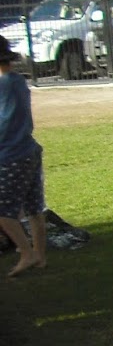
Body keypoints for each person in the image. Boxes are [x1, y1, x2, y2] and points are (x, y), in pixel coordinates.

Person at [0, 36, 48, 277]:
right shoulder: (18, 81)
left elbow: (5, 122)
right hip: (29, 149)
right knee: (34, 208)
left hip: (10, 154)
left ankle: (27, 253)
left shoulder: (3, 85)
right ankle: (39, 255)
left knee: (3, 211)